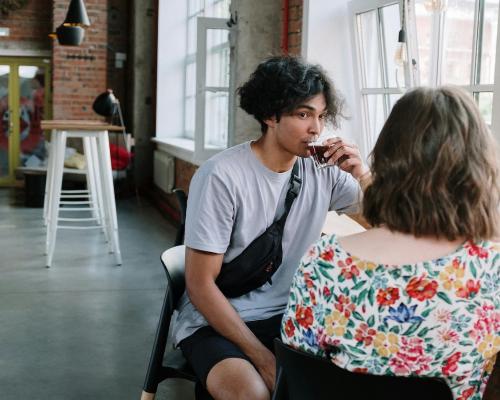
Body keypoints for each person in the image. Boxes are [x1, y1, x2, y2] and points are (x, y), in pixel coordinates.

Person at [172, 55, 371, 400]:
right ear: (269, 115)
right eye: (303, 114)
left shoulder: (321, 170)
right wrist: (261, 357)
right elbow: (200, 286)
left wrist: (363, 174)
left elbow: (391, 216)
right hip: (216, 321)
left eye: (321, 116)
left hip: (289, 316)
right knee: (252, 392)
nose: (316, 129)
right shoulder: (222, 175)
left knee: (355, 375)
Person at [281, 86, 500, 400]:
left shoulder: (324, 261)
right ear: (478, 167)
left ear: (386, 157)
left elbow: (299, 372)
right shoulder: (490, 269)